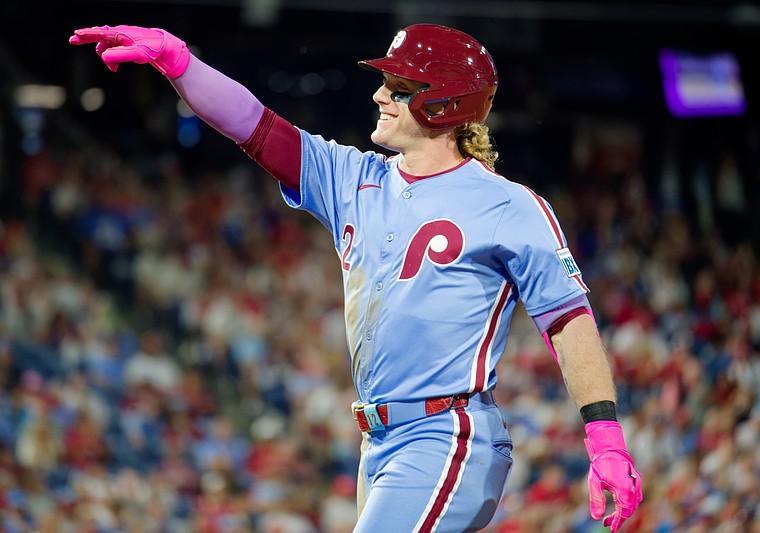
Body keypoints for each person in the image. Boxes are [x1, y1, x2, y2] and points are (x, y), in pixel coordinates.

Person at [69, 22, 643, 532]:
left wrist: (605, 439)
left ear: (441, 102)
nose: (379, 95)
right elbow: (256, 126)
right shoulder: (354, 178)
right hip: (380, 442)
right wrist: (181, 65)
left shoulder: (510, 207)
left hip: (447, 435)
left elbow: (568, 322)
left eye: (398, 88)